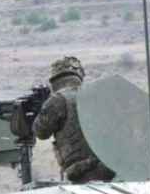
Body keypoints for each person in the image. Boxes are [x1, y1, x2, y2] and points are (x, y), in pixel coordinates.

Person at [32, 56, 116, 184]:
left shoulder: (57, 100)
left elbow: (41, 132)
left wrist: (42, 109)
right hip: (111, 167)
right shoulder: (97, 95)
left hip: (84, 172)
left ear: (54, 80)